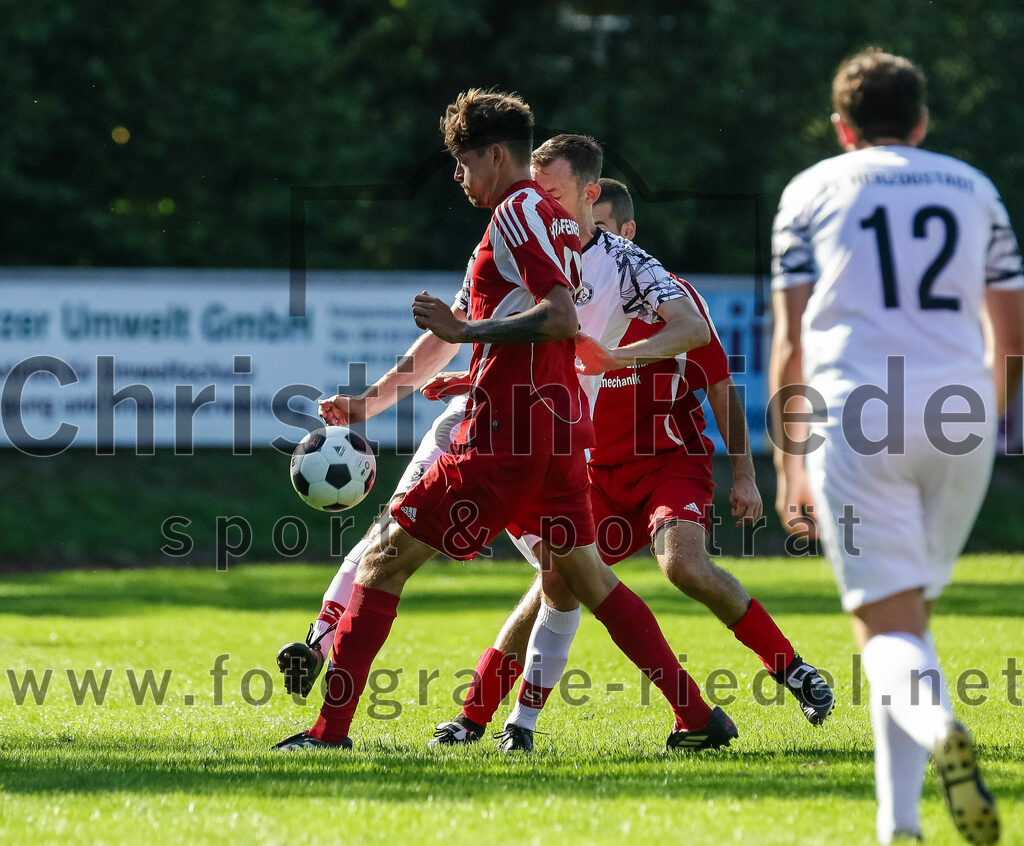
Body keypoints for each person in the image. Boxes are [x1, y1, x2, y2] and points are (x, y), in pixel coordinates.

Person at [274, 90, 736, 752]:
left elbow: (559, 317)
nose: (459, 178)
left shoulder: (517, 216)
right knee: (587, 579)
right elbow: (485, 335)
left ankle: (328, 733)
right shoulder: (550, 220)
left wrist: (468, 327)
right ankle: (696, 716)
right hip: (558, 432)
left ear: (495, 155)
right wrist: (370, 402)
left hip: (504, 436)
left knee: (381, 563)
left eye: (463, 163)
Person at [427, 159, 833, 752]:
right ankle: (475, 718)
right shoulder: (567, 294)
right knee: (555, 583)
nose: (576, 238)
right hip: (595, 468)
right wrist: (468, 382)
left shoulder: (662, 293)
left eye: (594, 227)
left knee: (683, 567)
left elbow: (719, 385)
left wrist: (744, 474)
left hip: (670, 462)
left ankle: (788, 665)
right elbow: (537, 369)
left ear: (625, 233)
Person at [770, 49, 1023, 845]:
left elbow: (789, 341)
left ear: (843, 127)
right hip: (962, 411)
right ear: (921, 120)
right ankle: (899, 825)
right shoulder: (974, 187)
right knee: (910, 623)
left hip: (857, 414)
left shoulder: (811, 190)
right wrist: (987, 417)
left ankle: (942, 726)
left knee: (884, 631)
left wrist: (788, 460)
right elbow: (1011, 328)